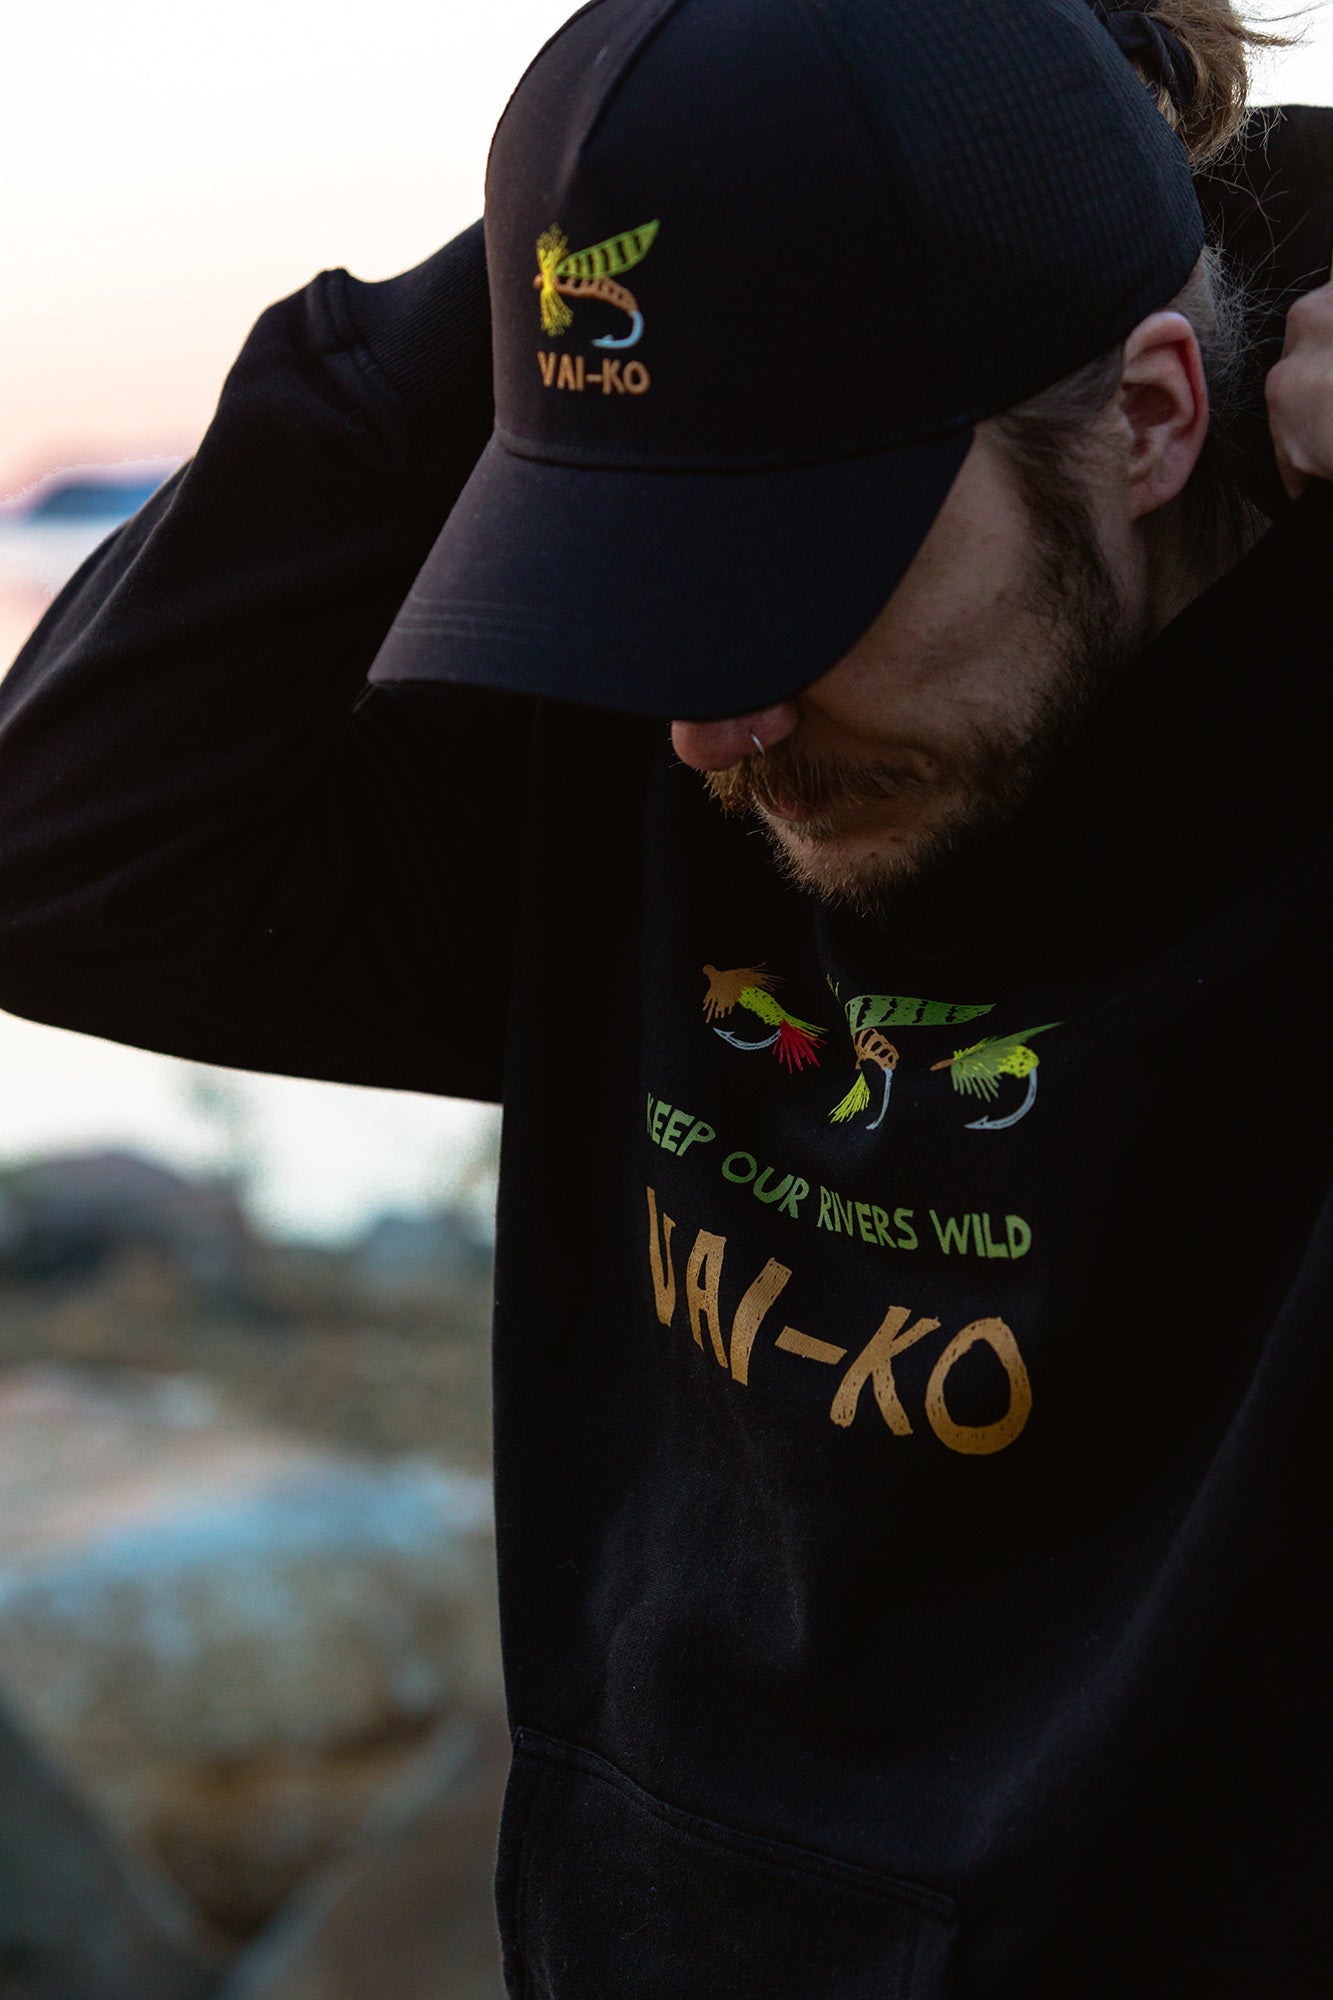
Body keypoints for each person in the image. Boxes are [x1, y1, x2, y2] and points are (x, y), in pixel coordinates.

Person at [1, 0, 1332, 1990]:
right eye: (655, 570)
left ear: (1151, 416)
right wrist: (639, 201)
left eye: (803, 568)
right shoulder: (677, 731)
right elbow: (64, 863)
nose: (715, 725)